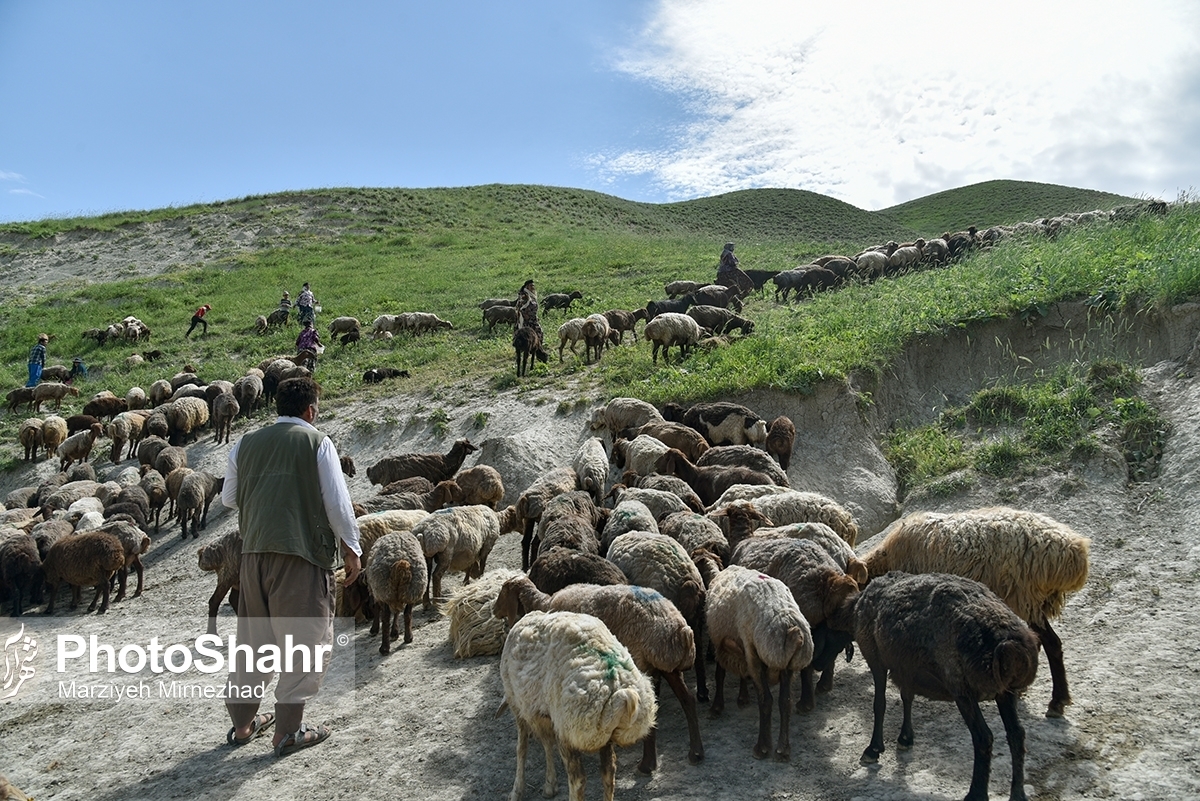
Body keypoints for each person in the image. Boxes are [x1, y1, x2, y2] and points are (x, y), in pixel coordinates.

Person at [220, 376, 362, 757]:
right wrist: (352, 549)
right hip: (300, 555)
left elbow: (230, 499)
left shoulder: (245, 443)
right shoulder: (317, 442)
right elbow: (337, 503)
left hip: (252, 556)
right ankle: (287, 733)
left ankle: (242, 725)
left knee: (254, 643)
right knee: (305, 643)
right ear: (310, 409)